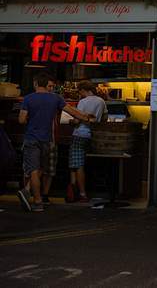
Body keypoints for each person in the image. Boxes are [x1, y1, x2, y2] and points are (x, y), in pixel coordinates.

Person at [17, 72, 94, 212]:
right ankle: (29, 194)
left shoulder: (28, 99)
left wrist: (30, 119)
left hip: (31, 138)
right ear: (47, 85)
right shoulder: (56, 99)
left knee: (33, 171)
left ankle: (37, 200)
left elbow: (21, 120)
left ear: (35, 84)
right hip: (47, 139)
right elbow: (73, 112)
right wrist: (86, 118)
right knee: (41, 168)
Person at [67, 81, 107, 203]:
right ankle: (74, 191)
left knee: (77, 164)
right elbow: (104, 118)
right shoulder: (101, 101)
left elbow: (78, 119)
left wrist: (70, 121)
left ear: (84, 90)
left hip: (79, 134)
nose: (80, 94)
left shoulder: (83, 102)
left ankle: (81, 193)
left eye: (80, 91)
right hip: (93, 137)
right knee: (80, 164)